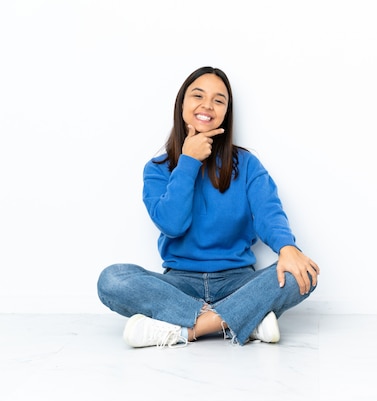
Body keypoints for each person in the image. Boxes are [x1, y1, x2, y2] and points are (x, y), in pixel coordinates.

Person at [97, 66, 319, 348]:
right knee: (112, 279)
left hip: (237, 282)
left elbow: (269, 213)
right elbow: (172, 225)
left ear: (227, 111)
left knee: (303, 271)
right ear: (182, 104)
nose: (207, 105)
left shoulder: (247, 165)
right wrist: (188, 161)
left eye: (219, 100)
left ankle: (183, 330)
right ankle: (244, 320)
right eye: (198, 96)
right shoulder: (157, 170)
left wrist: (288, 248)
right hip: (179, 284)